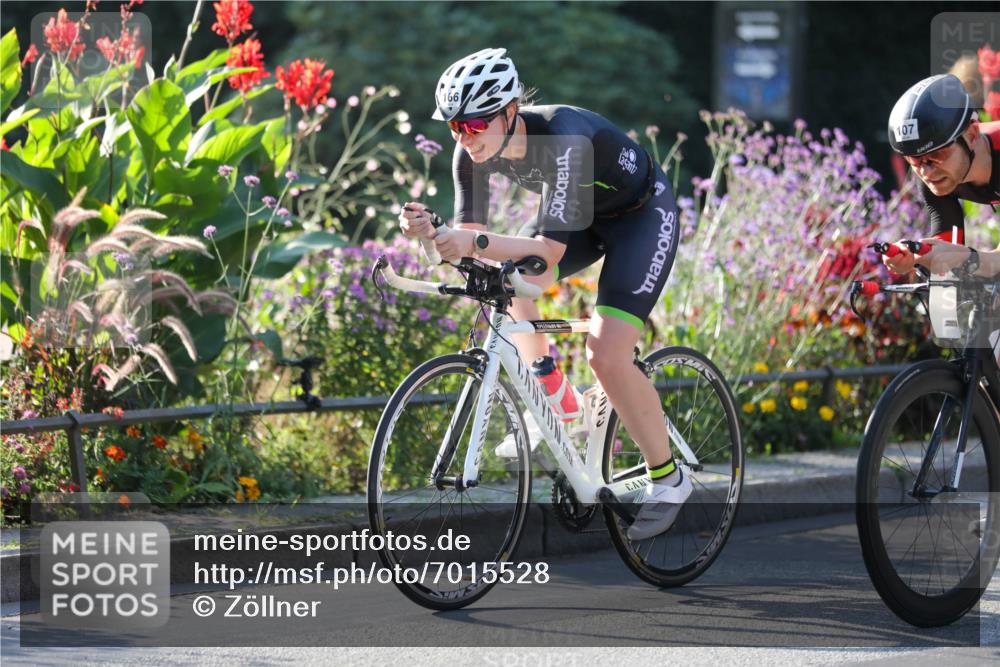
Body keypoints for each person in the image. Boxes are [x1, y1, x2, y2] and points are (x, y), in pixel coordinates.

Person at [398, 48, 688, 540]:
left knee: (606, 354)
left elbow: (549, 253)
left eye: (474, 124)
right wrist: (433, 234)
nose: (464, 138)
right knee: (504, 283)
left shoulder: (565, 137)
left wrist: (471, 241)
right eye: (454, 127)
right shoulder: (471, 154)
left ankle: (668, 476)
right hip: (582, 220)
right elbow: (474, 243)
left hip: (640, 218)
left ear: (511, 111)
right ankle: (561, 402)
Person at [884, 74, 999, 278]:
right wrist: (918, 256)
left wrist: (963, 258)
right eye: (914, 159)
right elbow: (948, 252)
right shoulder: (934, 178)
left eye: (937, 155)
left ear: (972, 136)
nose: (926, 172)